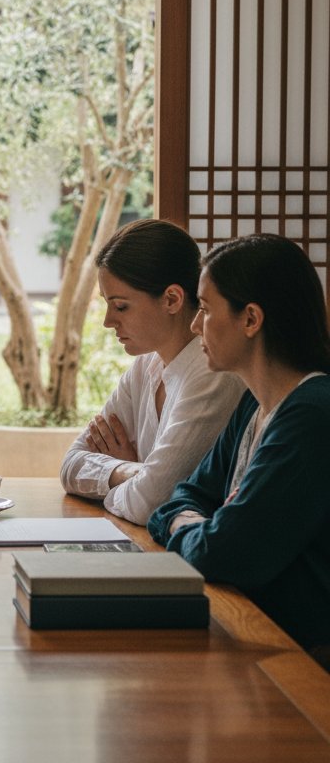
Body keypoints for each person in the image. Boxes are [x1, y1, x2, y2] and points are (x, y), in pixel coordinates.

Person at [148, 234, 330, 663]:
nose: (195, 325)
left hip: (302, 653)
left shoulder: (311, 413)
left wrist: (189, 528)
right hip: (253, 626)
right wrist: (198, 524)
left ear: (251, 319)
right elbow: (181, 498)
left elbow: (227, 553)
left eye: (206, 310)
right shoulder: (254, 400)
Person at [60, 219, 243, 525]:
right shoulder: (147, 365)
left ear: (172, 299)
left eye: (121, 307)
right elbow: (69, 466)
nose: (108, 321)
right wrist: (131, 471)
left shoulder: (212, 376)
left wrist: (129, 479)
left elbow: (150, 503)